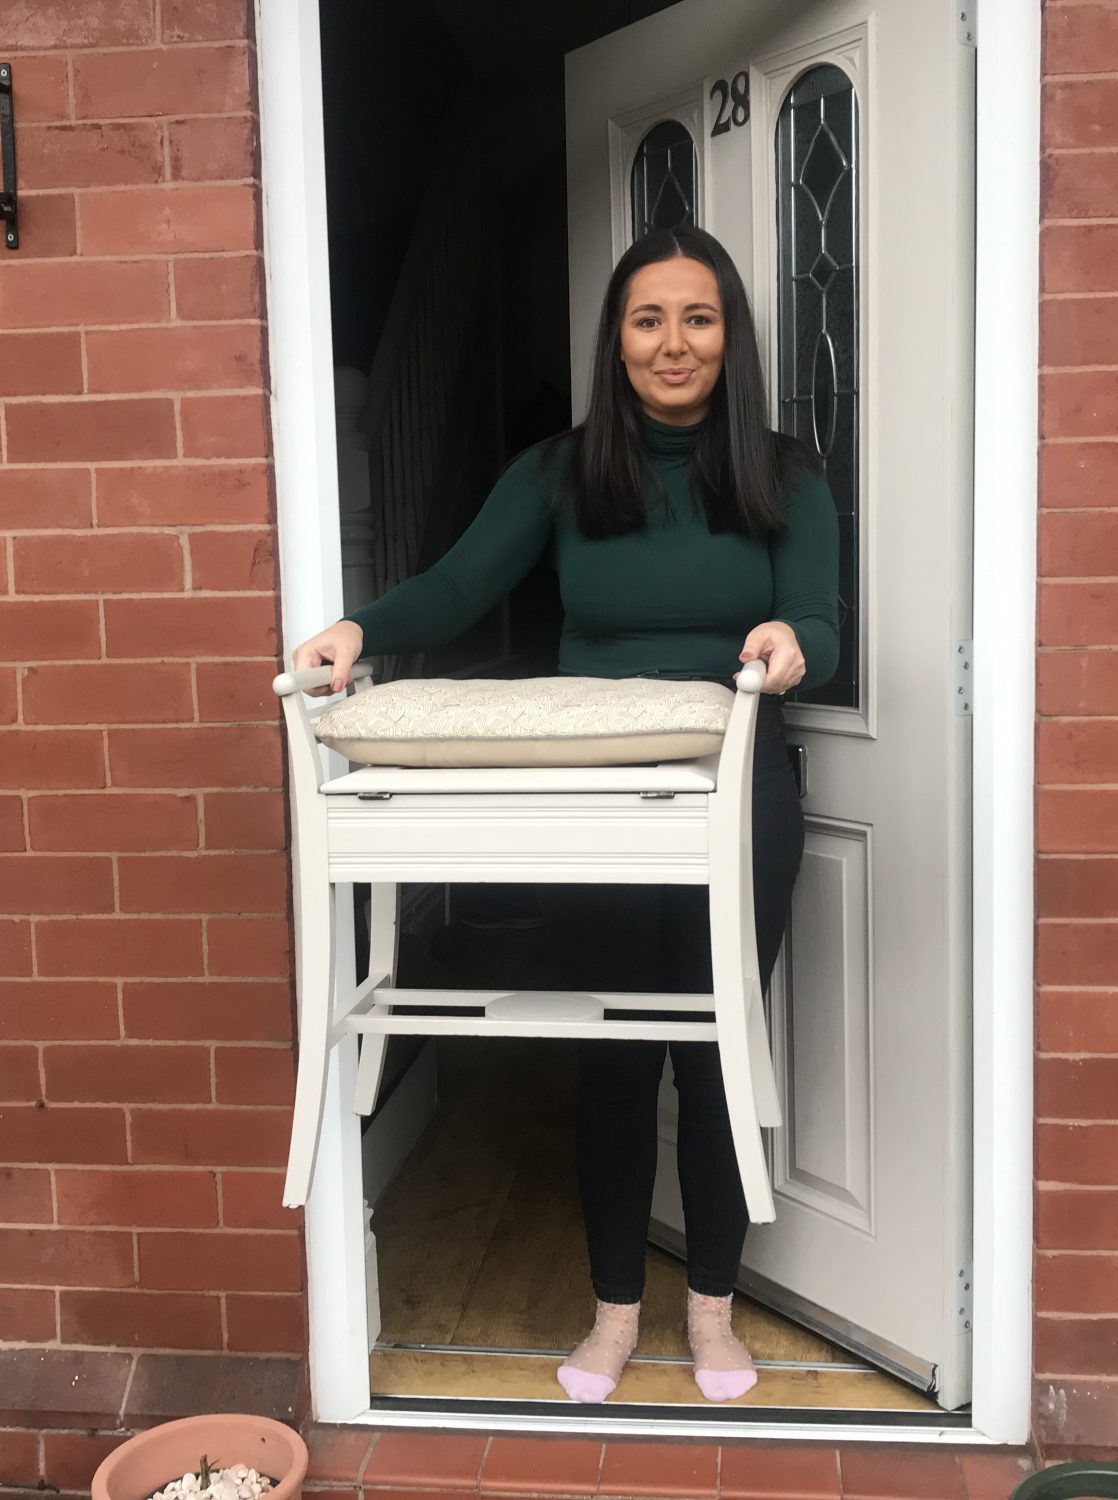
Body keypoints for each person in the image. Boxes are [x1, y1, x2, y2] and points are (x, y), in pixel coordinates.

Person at [288, 224, 840, 1404]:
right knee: (610, 1054)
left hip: (738, 787)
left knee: (708, 1051)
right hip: (596, 799)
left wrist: (794, 644)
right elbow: (454, 584)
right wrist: (357, 629)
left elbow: (819, 617)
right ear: (616, 340)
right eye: (647, 319)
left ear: (730, 335)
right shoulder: (557, 470)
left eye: (698, 317)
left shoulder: (784, 472)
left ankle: (709, 1317)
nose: (672, 342)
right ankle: (610, 1316)